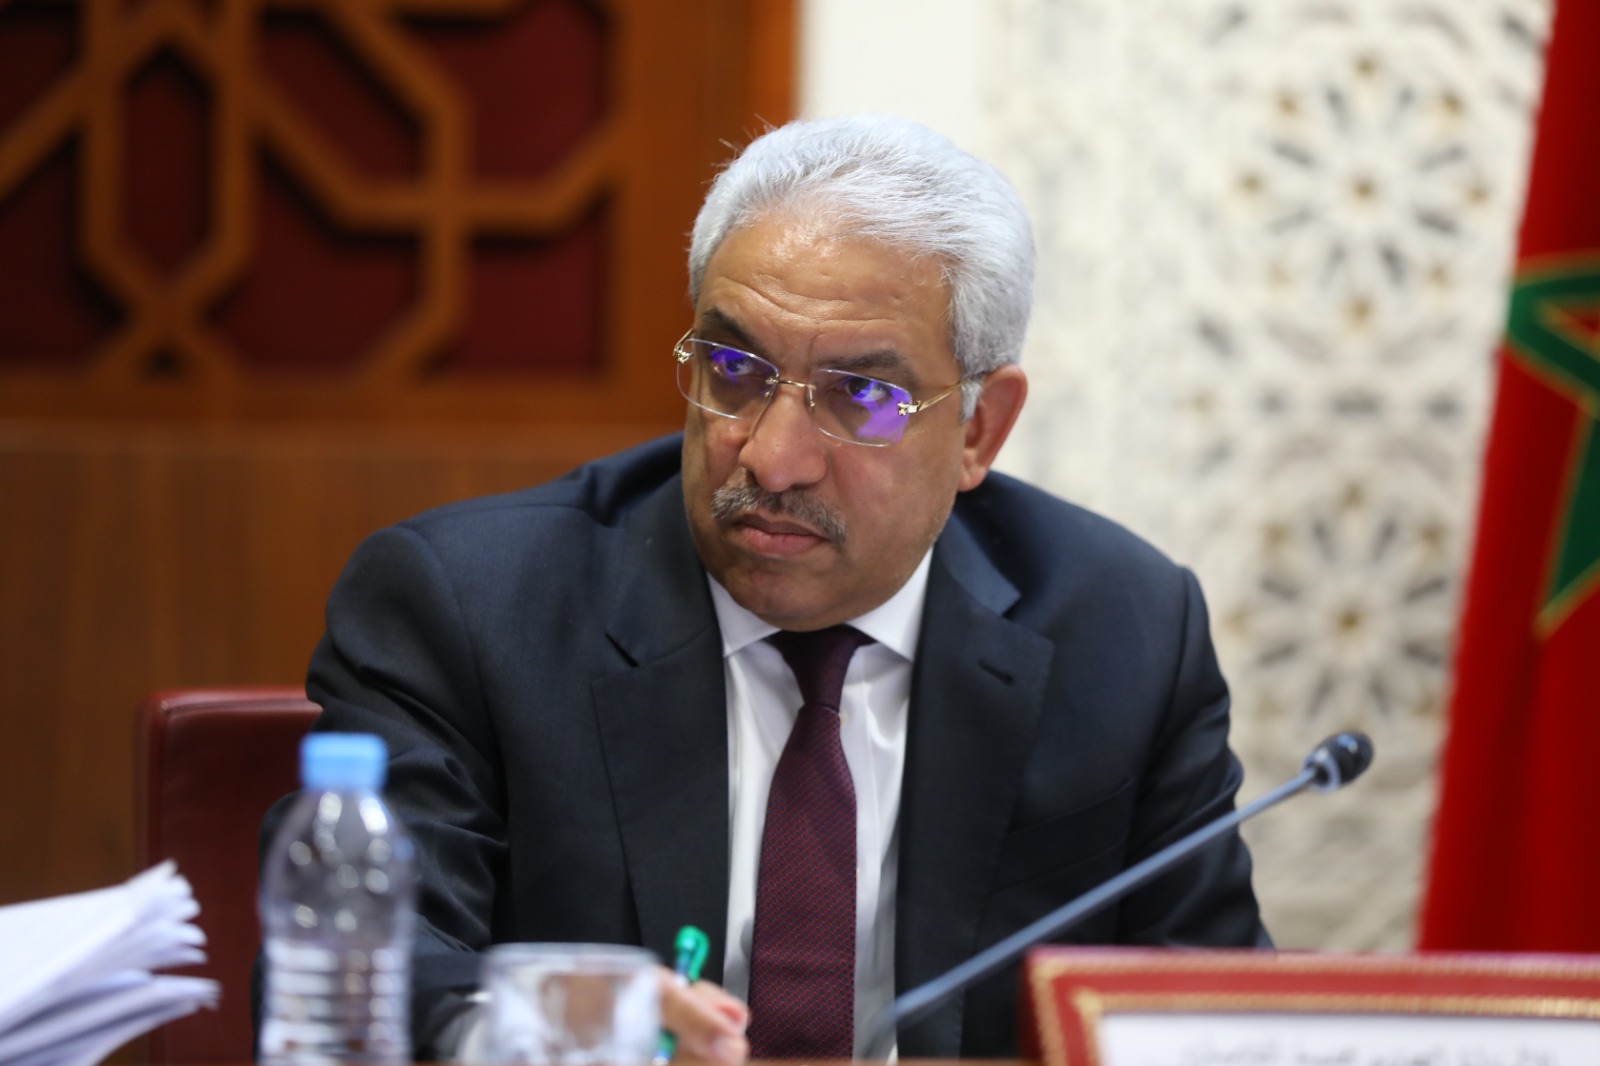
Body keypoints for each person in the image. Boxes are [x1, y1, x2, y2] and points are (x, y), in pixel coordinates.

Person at [260, 114, 1268, 1062]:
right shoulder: (471, 609)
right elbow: (361, 971)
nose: (774, 458)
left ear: (978, 429)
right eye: (735, 371)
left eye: (862, 396)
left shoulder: (1122, 633)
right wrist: (568, 1029)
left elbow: (1216, 1012)